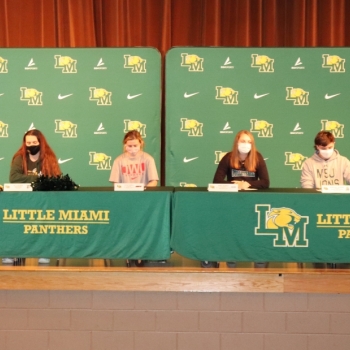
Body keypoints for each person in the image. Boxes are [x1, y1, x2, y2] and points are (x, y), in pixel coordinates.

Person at [206, 130, 269, 269]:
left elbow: (265, 182)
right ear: (237, 142)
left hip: (250, 201)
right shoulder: (228, 157)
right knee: (232, 229)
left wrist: (248, 184)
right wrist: (234, 184)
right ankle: (231, 258)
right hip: (232, 201)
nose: (246, 144)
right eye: (243, 141)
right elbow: (216, 180)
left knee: (254, 230)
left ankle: (258, 258)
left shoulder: (257, 157)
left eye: (249, 142)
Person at [3, 129, 61, 265]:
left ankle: (44, 251)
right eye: (28, 142)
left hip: (44, 201)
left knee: (46, 221)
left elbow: (53, 179)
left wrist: (32, 179)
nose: (31, 145)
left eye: (34, 142)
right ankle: (12, 252)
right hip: (22, 200)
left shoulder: (49, 158)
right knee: (13, 221)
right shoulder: (20, 158)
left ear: (41, 143)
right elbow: (14, 177)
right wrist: (37, 178)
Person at [109, 130, 159, 267]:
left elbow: (153, 181)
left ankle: (141, 254)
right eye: (129, 146)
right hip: (125, 200)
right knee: (127, 228)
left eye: (135, 146)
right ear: (124, 145)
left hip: (143, 200)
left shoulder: (148, 159)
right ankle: (128, 254)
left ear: (141, 144)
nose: (132, 149)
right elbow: (116, 183)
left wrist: (143, 193)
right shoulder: (119, 161)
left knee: (142, 228)